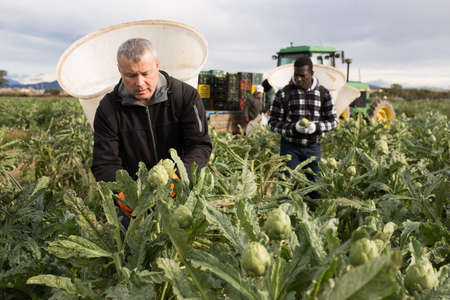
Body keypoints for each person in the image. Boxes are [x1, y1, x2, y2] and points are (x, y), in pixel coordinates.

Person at [91, 38, 212, 224]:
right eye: (130, 75)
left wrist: (178, 177)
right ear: (119, 70)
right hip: (135, 201)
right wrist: (122, 193)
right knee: (132, 248)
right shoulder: (109, 109)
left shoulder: (185, 97)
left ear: (157, 65)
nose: (139, 82)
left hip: (181, 195)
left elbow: (200, 146)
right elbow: (104, 162)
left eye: (145, 73)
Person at [268, 56, 337, 201]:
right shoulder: (284, 93)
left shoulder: (323, 94)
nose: (298, 79)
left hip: (313, 148)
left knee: (315, 189)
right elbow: (272, 123)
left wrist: (316, 127)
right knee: (285, 188)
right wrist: (294, 128)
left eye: (302, 75)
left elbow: (333, 122)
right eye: (296, 75)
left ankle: (313, 217)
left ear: (311, 74)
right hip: (290, 149)